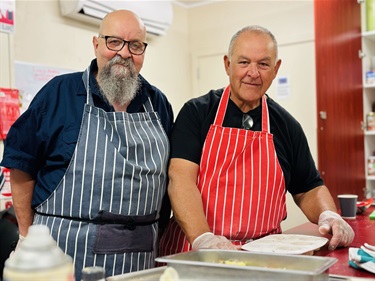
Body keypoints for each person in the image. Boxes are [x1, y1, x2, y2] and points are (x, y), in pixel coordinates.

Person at [1, 10, 173, 280]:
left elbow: (166, 181)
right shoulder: (59, 94)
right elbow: (21, 164)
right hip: (64, 254)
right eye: (113, 42)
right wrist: (26, 235)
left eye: (135, 45)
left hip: (141, 259)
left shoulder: (158, 103)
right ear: (96, 44)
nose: (124, 53)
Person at [159, 25, 354, 255]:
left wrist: (329, 215)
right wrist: (204, 239)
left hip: (264, 258)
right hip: (197, 253)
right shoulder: (197, 113)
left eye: (263, 63)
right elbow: (180, 179)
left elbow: (308, 188)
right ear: (227, 64)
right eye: (243, 62)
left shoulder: (287, 125)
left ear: (276, 68)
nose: (253, 72)